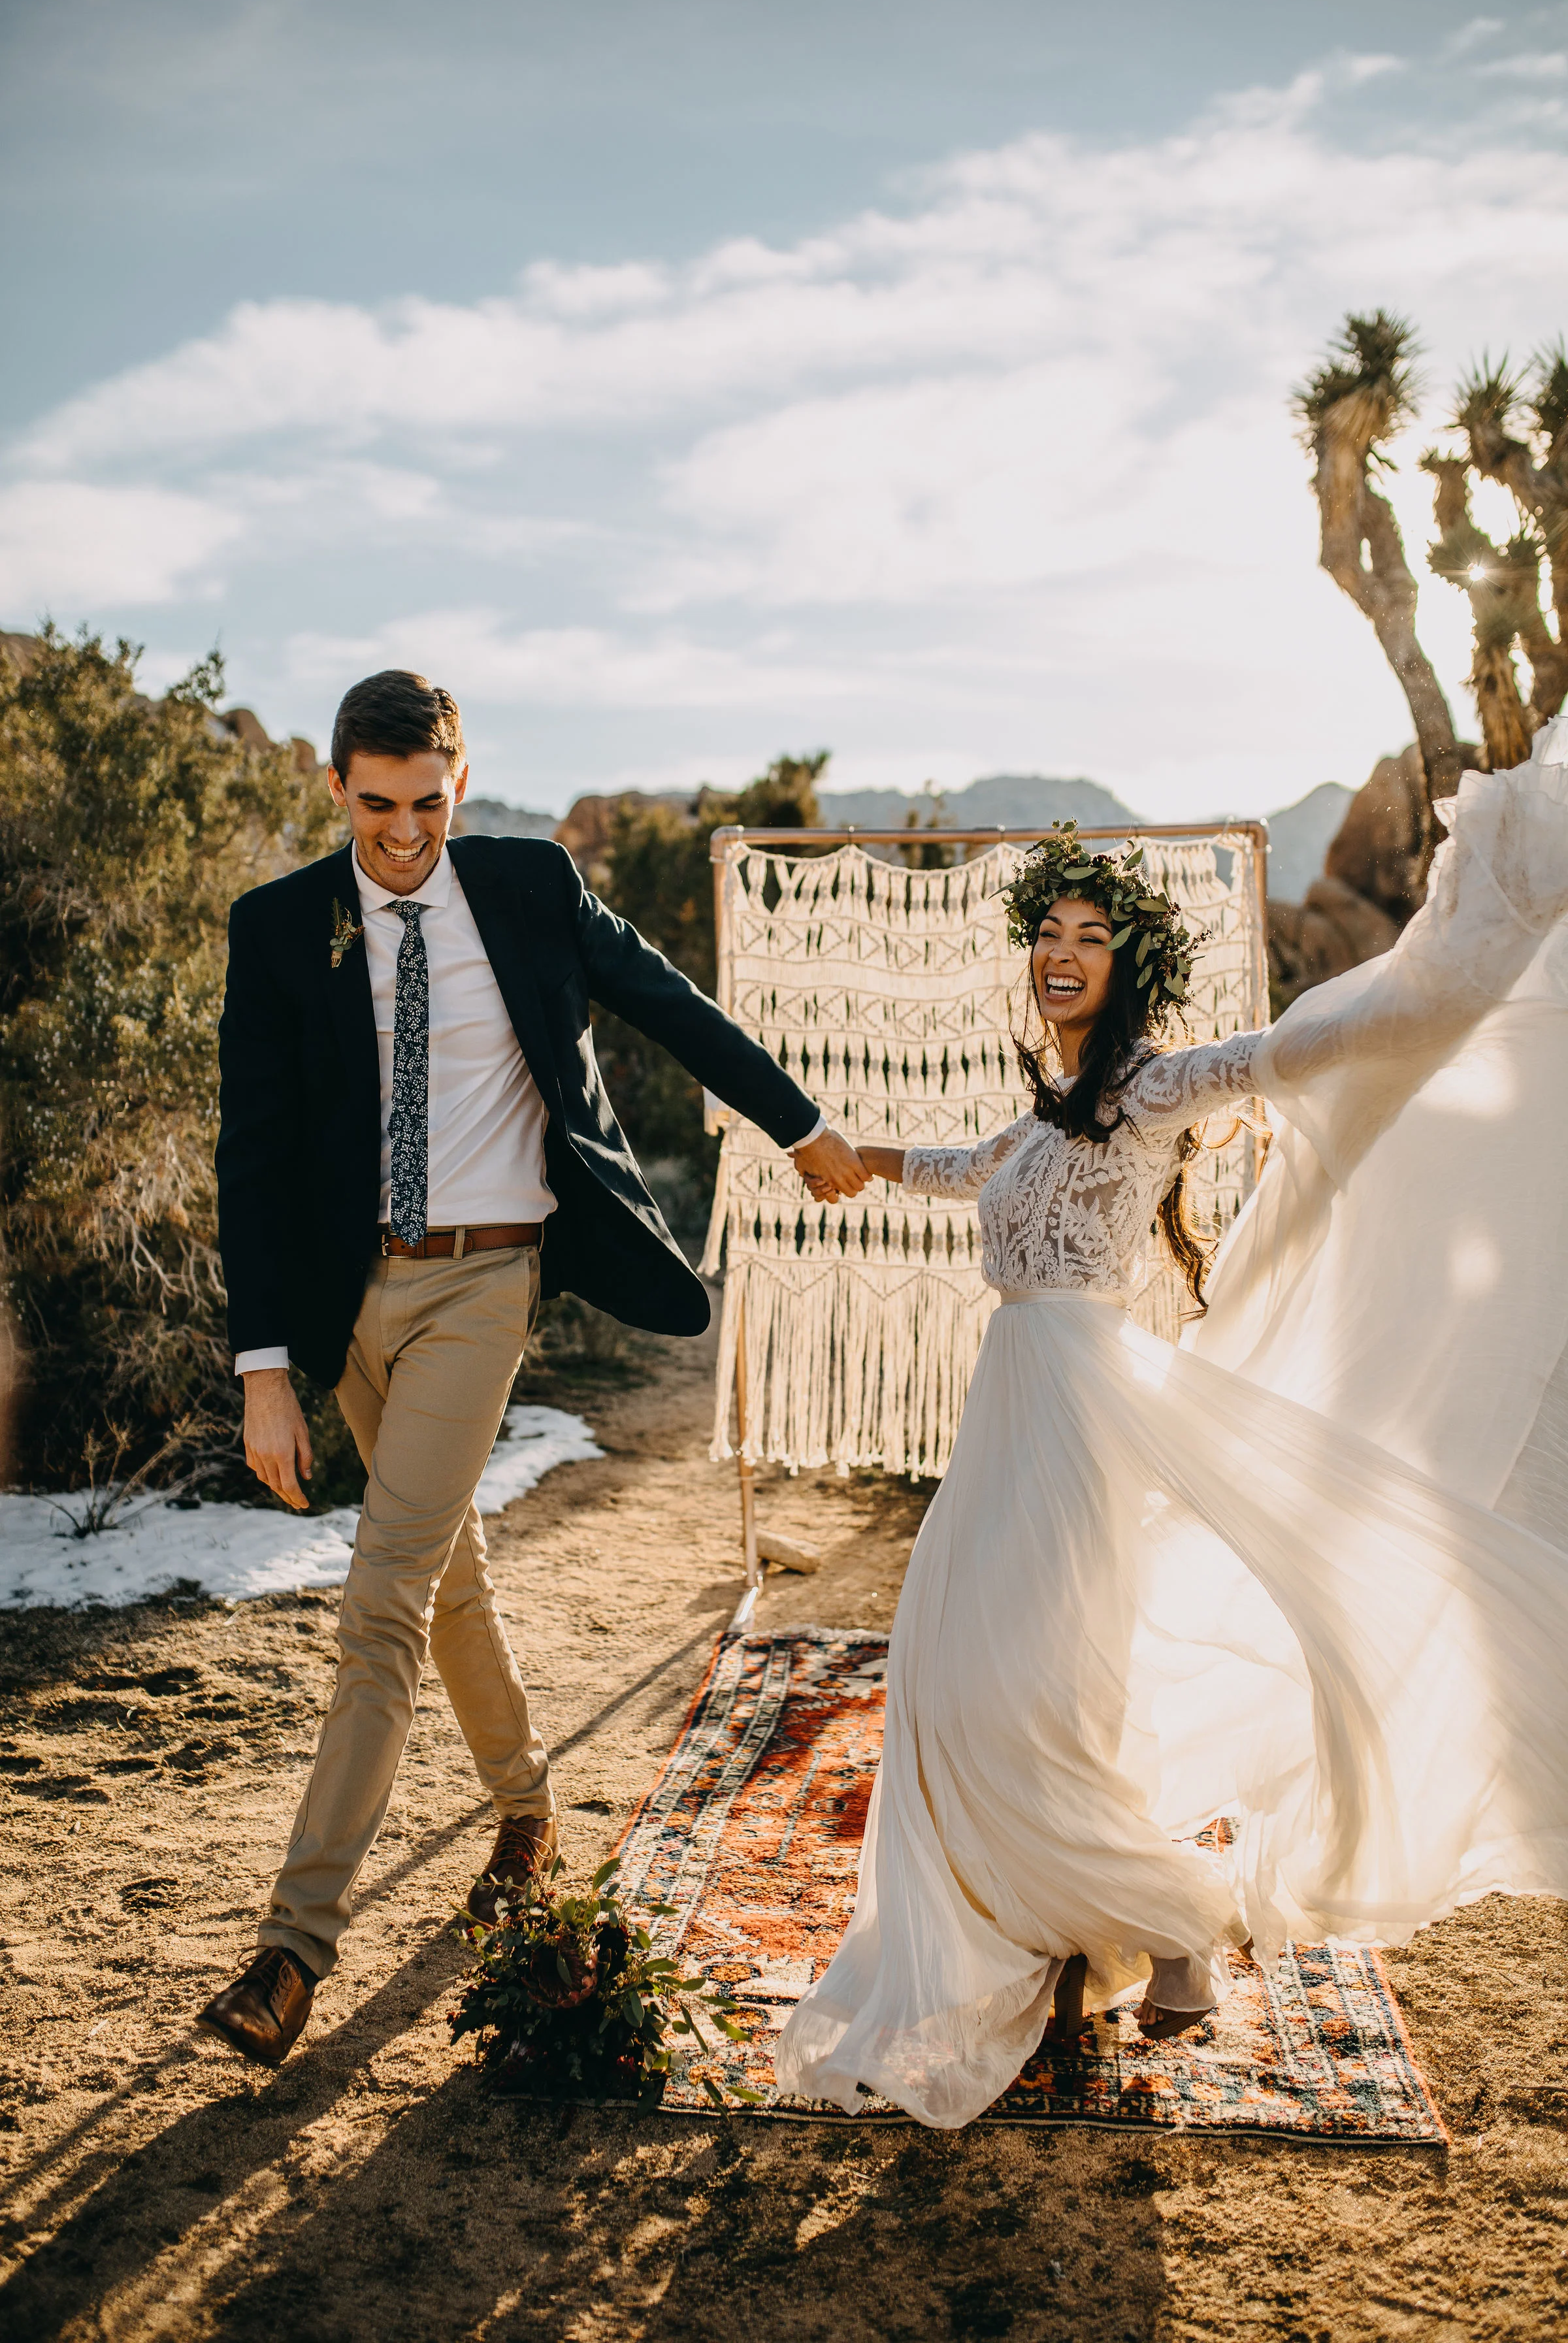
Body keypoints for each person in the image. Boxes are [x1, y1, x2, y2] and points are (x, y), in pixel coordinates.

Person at [777, 725, 1568, 2129]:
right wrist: (849, 1151)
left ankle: (1180, 1924)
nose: (1065, 952)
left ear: (1127, 964)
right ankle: (1037, 1930)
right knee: (951, 1684)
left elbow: (1289, 1050)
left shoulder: (1149, 1089)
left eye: (1094, 935)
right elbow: (954, 1166)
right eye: (1051, 934)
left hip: (1081, 1420)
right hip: (1000, 1422)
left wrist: (1459, 965)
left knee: (1032, 1682)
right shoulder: (1031, 1130)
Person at [197, 668, 867, 2068]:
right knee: (444, 1571)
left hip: (484, 1285)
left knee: (379, 1600)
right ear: (335, 789)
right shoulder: (280, 930)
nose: (402, 833)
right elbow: (252, 1162)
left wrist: (799, 1126)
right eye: (374, 806)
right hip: (347, 1303)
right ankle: (525, 1803)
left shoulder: (525, 886)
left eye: (426, 802)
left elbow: (670, 1006)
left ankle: (291, 1948)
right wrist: (266, 1363)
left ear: (460, 773)